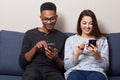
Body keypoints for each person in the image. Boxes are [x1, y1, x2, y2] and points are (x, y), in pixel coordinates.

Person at [19, 2, 67, 80]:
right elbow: (22, 62)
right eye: (46, 19)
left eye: (52, 18)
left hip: (53, 71)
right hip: (33, 70)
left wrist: (56, 58)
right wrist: (35, 48)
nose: (49, 22)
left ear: (56, 17)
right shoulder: (30, 34)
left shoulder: (63, 37)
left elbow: (64, 67)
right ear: (41, 18)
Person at [64, 9, 109, 80]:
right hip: (76, 71)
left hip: (96, 71)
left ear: (94, 24)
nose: (87, 26)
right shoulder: (71, 40)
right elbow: (67, 67)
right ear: (80, 23)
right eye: (84, 23)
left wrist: (96, 54)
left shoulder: (102, 40)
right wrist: (77, 54)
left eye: (90, 23)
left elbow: (105, 67)